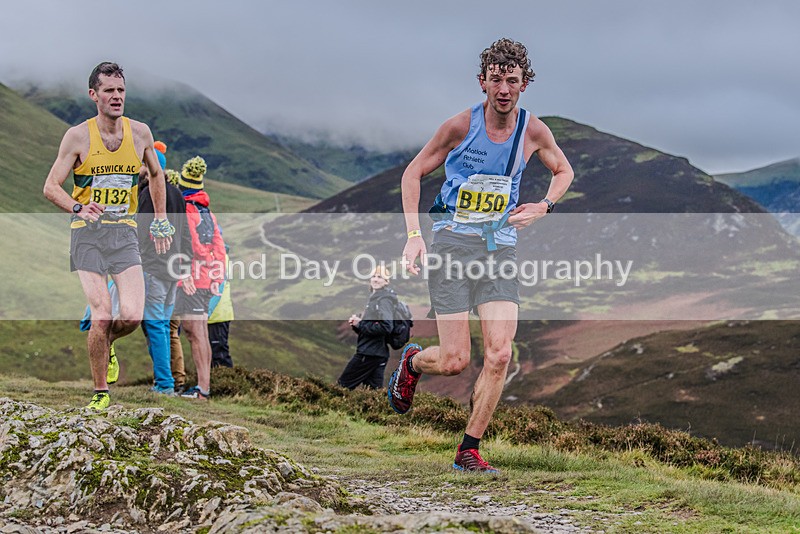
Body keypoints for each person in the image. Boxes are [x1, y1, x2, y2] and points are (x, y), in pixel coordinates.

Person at [388, 38, 574, 472]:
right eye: (496, 80)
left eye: (512, 80)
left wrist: (544, 206)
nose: (504, 89)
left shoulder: (533, 131)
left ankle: (468, 451)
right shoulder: (459, 126)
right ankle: (413, 362)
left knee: (500, 353)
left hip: (498, 249)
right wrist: (413, 235)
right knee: (454, 361)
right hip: (452, 245)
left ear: (524, 84)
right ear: (482, 82)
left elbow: (564, 170)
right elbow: (413, 172)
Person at [43, 62, 174, 411]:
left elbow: (157, 175)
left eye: (121, 90)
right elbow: (50, 186)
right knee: (101, 313)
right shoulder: (77, 137)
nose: (116, 97)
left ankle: (106, 343)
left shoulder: (140, 133)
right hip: (87, 235)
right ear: (94, 95)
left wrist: (161, 219)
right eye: (109, 91)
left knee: (131, 316)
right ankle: (101, 393)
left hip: (124, 234)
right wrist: (77, 207)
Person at [137, 141, 192, 395]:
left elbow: (141, 233)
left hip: (154, 267)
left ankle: (164, 384)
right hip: (174, 270)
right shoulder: (178, 194)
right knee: (165, 326)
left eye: (141, 165)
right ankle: (168, 380)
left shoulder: (148, 193)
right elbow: (185, 233)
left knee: (155, 325)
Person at [174, 156, 225, 400]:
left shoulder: (187, 210)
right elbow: (219, 247)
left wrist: (185, 274)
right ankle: (204, 387)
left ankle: (202, 390)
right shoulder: (208, 213)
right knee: (201, 332)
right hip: (206, 279)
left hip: (193, 280)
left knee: (195, 334)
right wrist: (217, 277)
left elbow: (189, 244)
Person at [337, 266, 396, 390]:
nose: (375, 279)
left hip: (368, 354)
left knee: (342, 386)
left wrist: (361, 324)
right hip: (377, 353)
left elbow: (386, 327)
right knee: (373, 393)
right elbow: (372, 328)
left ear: (386, 281)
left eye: (380, 277)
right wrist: (357, 325)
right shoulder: (376, 299)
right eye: (373, 276)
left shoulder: (383, 300)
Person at [208, 249, 234, 368]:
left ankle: (227, 378)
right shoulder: (217, 254)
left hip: (216, 315)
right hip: (214, 314)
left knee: (219, 354)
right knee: (212, 353)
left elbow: (218, 286)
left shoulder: (217, 256)